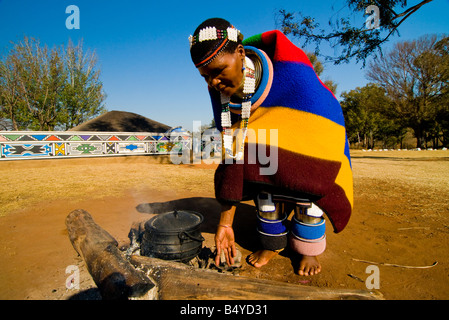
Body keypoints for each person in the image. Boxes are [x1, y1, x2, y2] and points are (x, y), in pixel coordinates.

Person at [189, 18, 353, 276]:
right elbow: (234, 152)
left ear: (241, 53)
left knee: (308, 196)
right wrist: (225, 223)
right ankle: (273, 245)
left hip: (307, 148)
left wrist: (294, 149)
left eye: (219, 71)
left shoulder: (291, 71)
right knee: (265, 197)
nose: (213, 82)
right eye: (205, 76)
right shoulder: (221, 94)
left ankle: (307, 251)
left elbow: (321, 113)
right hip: (267, 157)